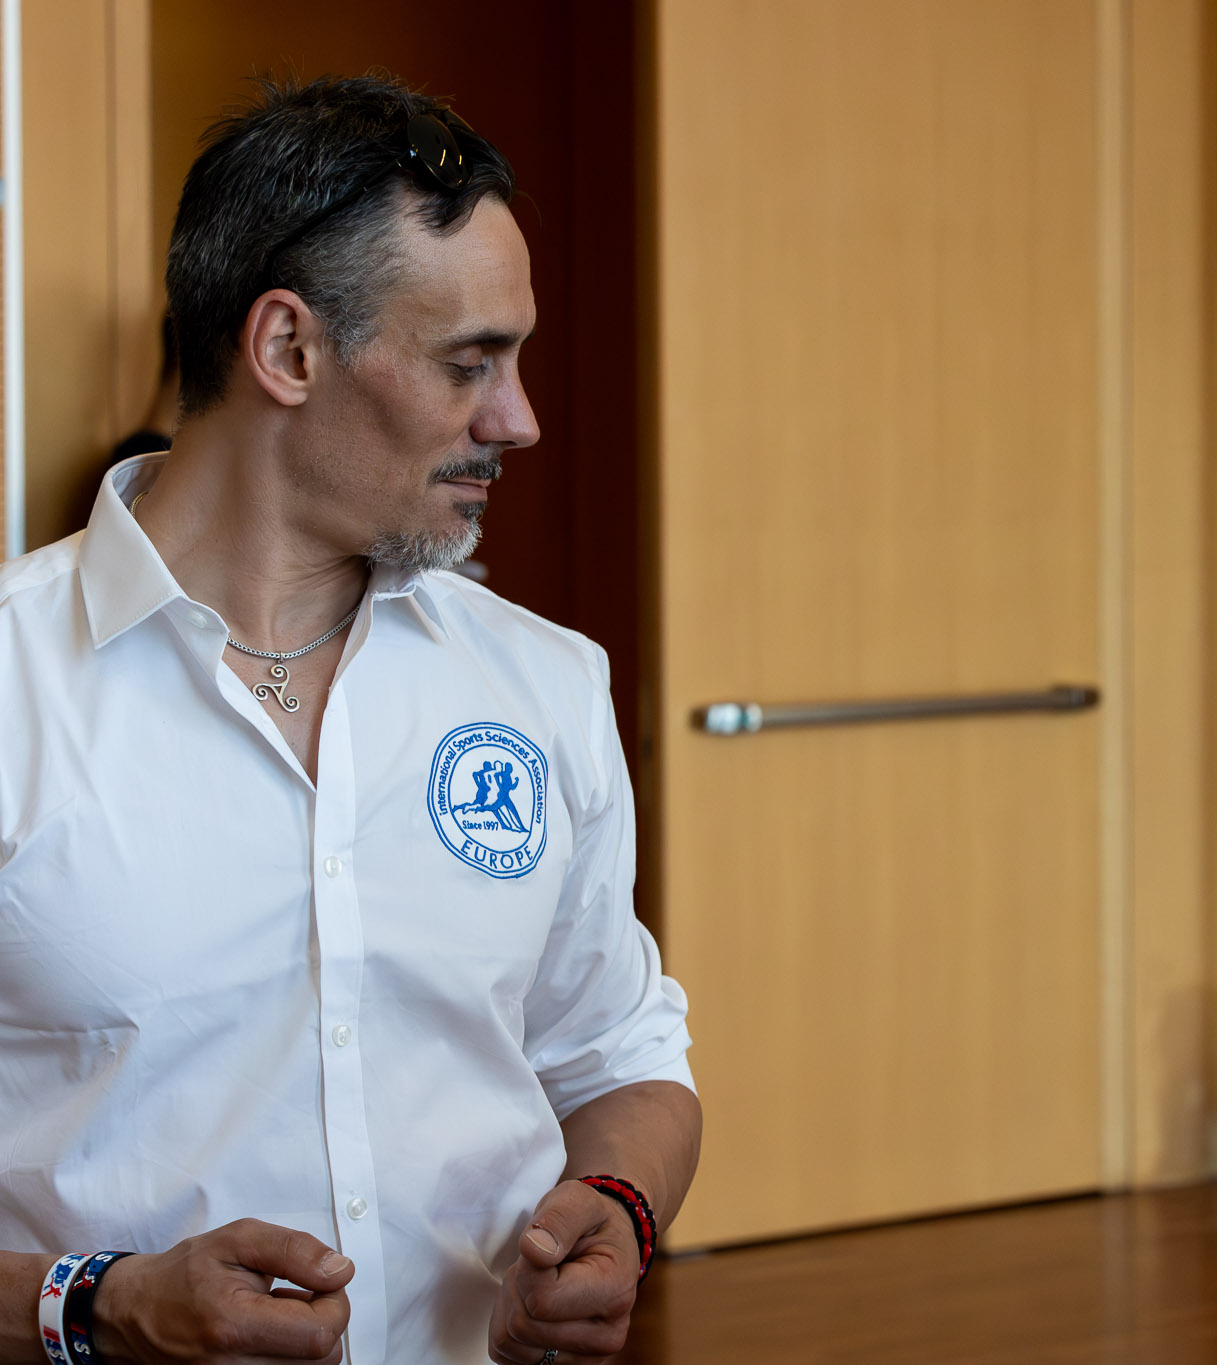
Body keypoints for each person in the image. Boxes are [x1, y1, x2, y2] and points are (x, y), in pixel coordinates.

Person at [0, 76, 700, 1364]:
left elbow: (618, 1056)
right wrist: (99, 1306)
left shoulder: (544, 683)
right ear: (287, 350)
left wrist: (617, 1203)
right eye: (470, 363)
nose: (520, 420)